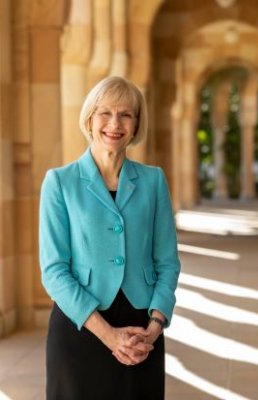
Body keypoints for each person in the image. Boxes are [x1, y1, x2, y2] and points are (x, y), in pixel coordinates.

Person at [39, 76, 181, 400]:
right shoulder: (59, 183)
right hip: (81, 327)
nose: (114, 123)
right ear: (90, 118)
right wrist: (109, 336)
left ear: (136, 124)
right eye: (105, 113)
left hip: (141, 332)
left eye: (126, 114)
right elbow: (53, 271)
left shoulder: (153, 181)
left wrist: (155, 328)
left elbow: (168, 263)